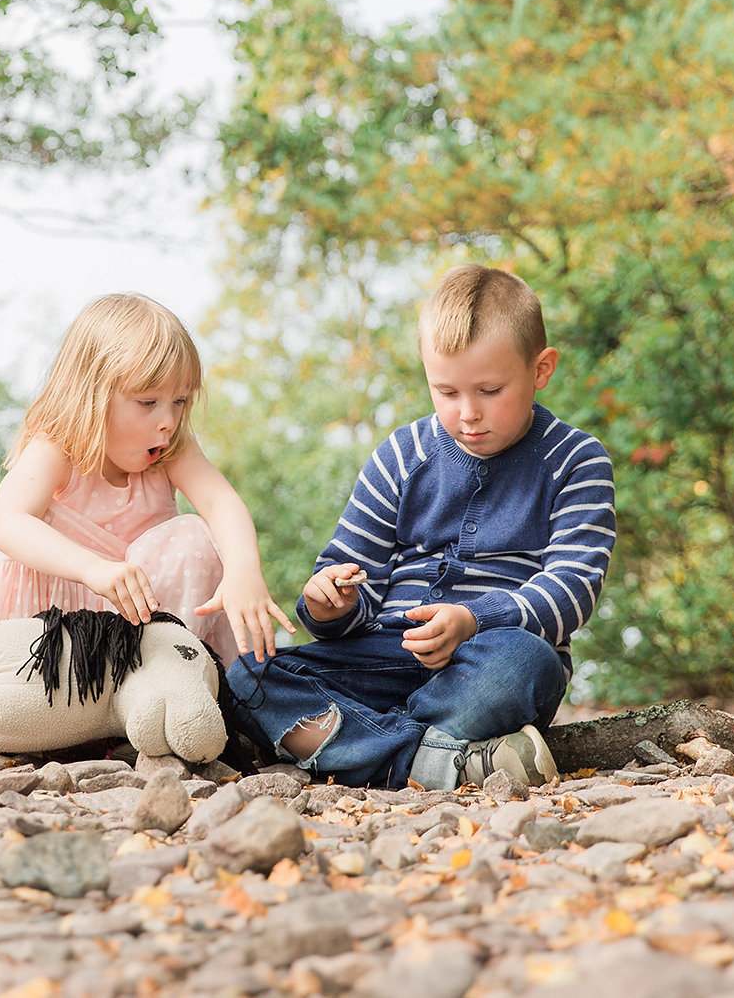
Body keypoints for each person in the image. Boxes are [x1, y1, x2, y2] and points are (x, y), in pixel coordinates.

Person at [226, 264, 614, 790]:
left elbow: (573, 587)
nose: (468, 413)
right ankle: (432, 758)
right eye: (446, 392)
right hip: (383, 656)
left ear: (541, 369)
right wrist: (329, 603)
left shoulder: (576, 460)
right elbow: (349, 577)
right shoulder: (400, 455)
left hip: (484, 662)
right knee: (249, 675)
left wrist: (474, 620)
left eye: (489, 390)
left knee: (529, 663)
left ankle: (360, 747)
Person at [0, 293, 295, 740]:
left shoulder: (171, 450)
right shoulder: (57, 447)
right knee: (36, 532)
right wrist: (92, 568)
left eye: (180, 401)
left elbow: (221, 502)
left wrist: (244, 569)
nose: (169, 421)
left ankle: (161, 699)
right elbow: (9, 522)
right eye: (148, 402)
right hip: (58, 643)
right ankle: (67, 721)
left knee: (194, 535)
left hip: (140, 636)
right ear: (91, 396)